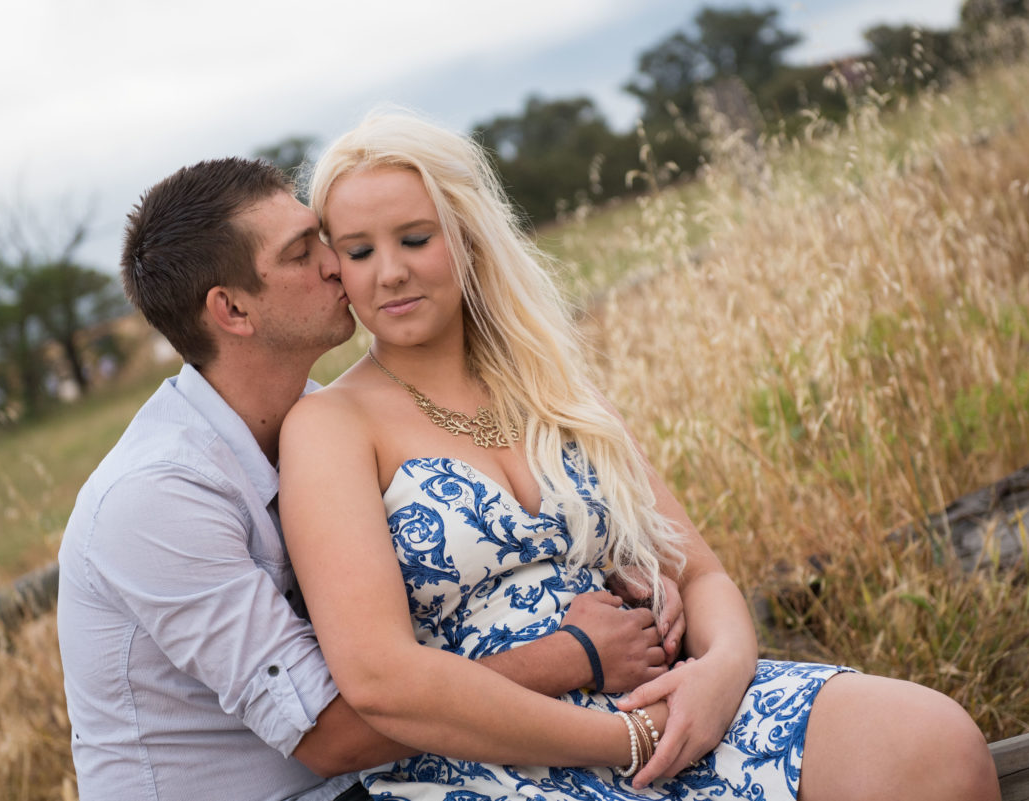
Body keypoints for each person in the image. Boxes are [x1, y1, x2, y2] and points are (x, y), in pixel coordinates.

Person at [277, 111, 1002, 801]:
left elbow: (702, 570)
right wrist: (617, 736)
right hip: (487, 758)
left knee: (930, 741)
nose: (391, 272)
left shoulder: (554, 389)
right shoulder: (329, 425)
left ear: (466, 237)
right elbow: (381, 676)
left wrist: (719, 674)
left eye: (414, 238)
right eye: (360, 250)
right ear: (335, 266)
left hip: (666, 707)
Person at [55, 157, 686, 801]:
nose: (337, 263)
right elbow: (332, 737)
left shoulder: (320, 417)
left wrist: (614, 574)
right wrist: (571, 652)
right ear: (233, 309)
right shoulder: (155, 499)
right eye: (303, 252)